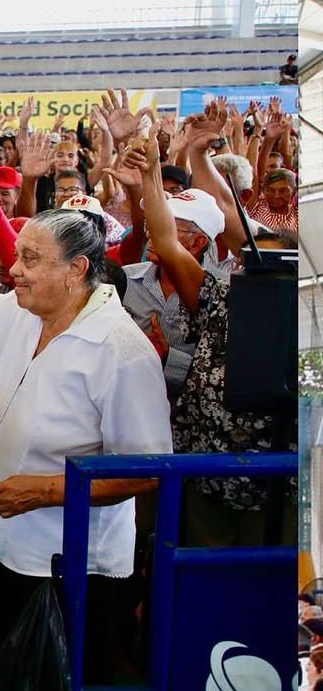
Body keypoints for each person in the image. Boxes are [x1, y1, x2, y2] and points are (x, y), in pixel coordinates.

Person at [0, 167, 171, 683]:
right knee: (9, 669)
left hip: (68, 567)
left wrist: (46, 491)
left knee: (58, 675)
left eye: (30, 259)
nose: (14, 270)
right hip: (1, 543)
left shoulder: (121, 351)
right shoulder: (17, 308)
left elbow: (147, 471)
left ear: (77, 269)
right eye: (17, 256)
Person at [118, 129, 296, 548]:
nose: (250, 269)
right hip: (206, 472)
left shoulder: (304, 322)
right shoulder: (219, 298)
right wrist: (151, 176)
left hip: (277, 484)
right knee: (201, 576)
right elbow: (166, 241)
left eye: (268, 264)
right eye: (247, 261)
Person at [119, 187, 225, 397]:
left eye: (165, 229)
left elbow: (219, 377)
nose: (151, 234)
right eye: (153, 225)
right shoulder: (126, 280)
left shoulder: (221, 297)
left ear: (198, 242)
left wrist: (169, 357)